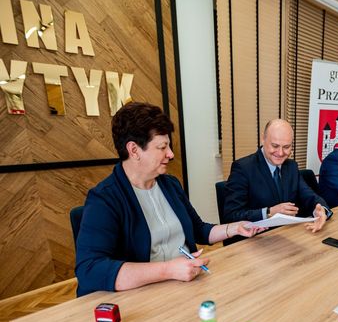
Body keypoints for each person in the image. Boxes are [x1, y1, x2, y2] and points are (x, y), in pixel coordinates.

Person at [75, 102, 264, 297]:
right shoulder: (105, 199)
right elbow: (89, 270)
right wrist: (168, 270)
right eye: (162, 147)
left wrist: (235, 228)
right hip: (143, 297)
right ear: (134, 150)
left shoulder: (170, 185)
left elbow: (199, 230)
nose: (171, 154)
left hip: (186, 285)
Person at [223, 119, 331, 233]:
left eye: (286, 147)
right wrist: (269, 212)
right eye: (275, 146)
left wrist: (320, 210)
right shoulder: (243, 168)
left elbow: (309, 196)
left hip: (287, 233)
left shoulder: (291, 166)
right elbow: (231, 215)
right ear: (263, 139)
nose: (280, 153)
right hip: (256, 237)